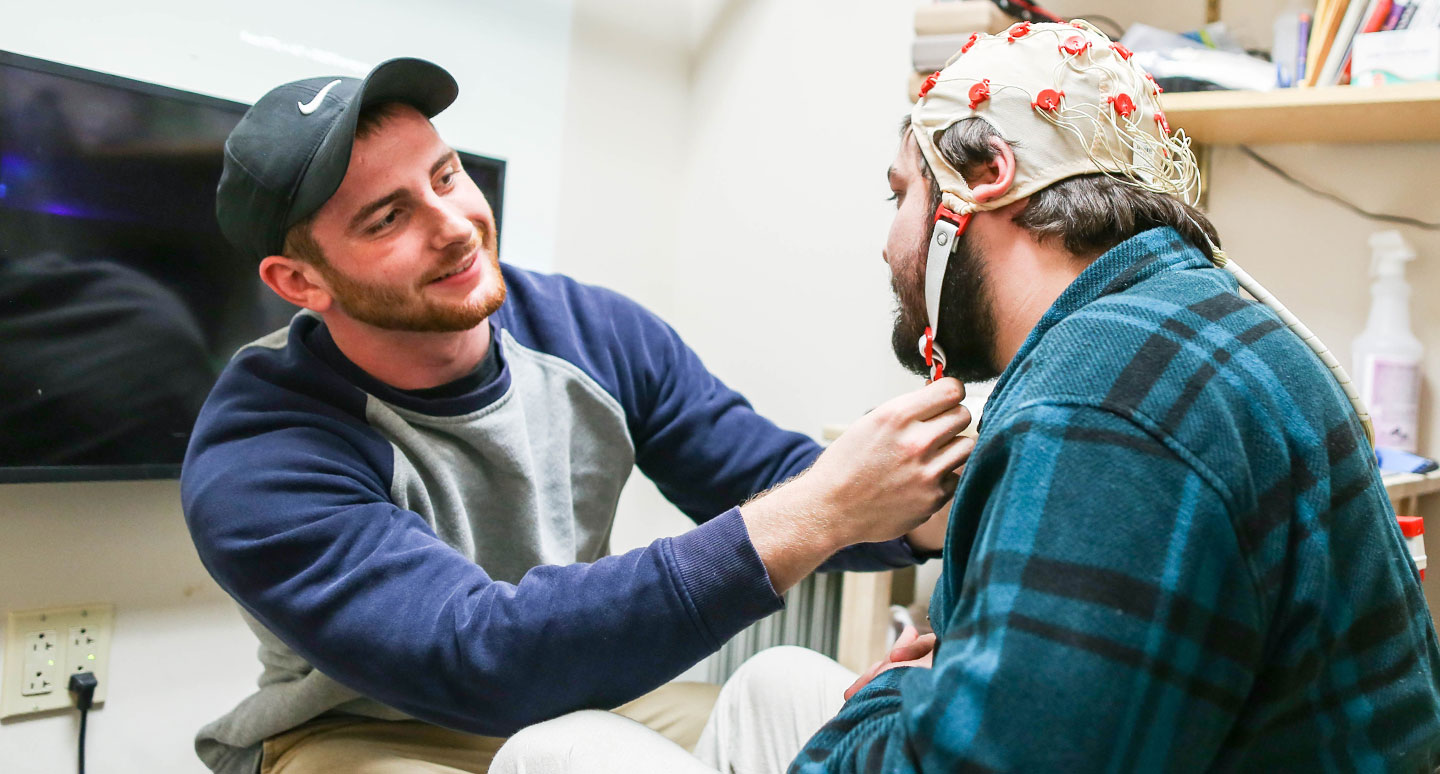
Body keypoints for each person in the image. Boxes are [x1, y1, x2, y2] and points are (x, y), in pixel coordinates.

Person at [493, 20, 1440, 774]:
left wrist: (882, 701)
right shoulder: (1179, 314)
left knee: (551, 750)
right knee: (772, 680)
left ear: (987, 178)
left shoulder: (1100, 405)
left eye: (898, 193)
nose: (886, 241)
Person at [180, 58, 973, 774]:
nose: (454, 224)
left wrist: (935, 510)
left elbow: (761, 475)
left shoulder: (590, 333)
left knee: (808, 704)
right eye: (388, 218)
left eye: (447, 176)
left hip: (565, 695)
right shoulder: (259, 454)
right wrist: (823, 509)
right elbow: (478, 654)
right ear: (298, 282)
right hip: (362, 729)